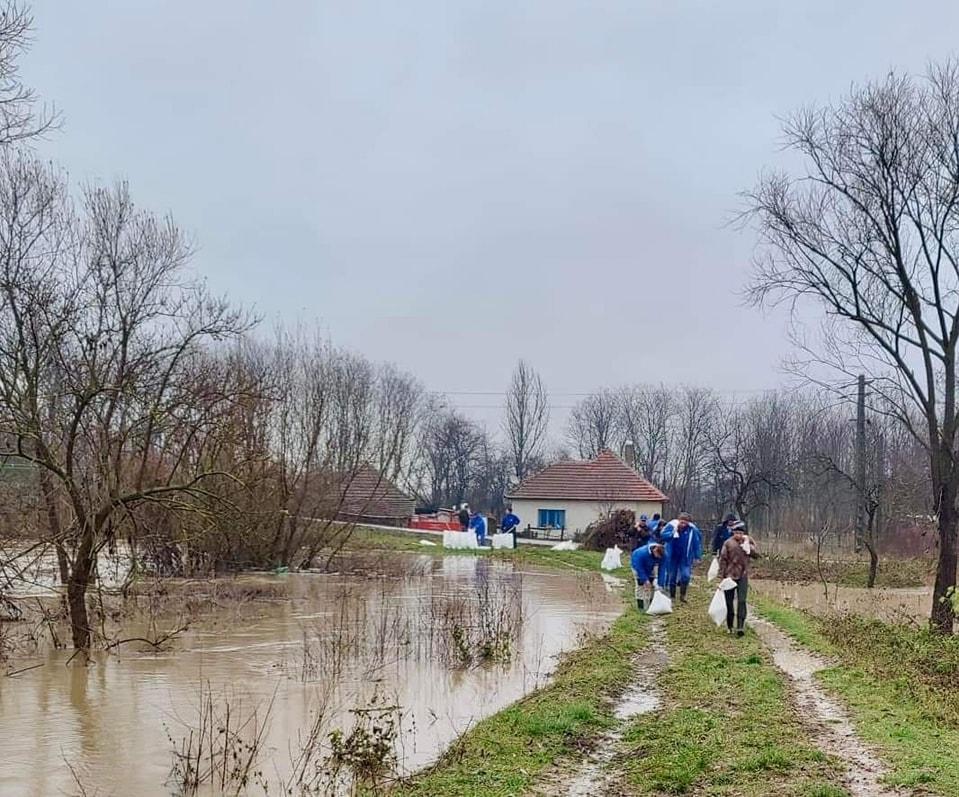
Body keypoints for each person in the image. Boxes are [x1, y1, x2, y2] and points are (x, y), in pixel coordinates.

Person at [718, 521, 759, 637]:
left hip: (743, 576)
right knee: (729, 602)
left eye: (741, 533)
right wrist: (722, 576)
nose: (739, 535)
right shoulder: (728, 543)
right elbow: (723, 559)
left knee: (742, 601)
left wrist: (749, 548)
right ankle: (730, 625)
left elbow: (757, 555)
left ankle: (740, 626)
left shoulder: (748, 541)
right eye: (736, 533)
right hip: (729, 576)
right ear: (733, 533)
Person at [658, 512, 702, 602]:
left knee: (686, 575)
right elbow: (663, 536)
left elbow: (696, 542)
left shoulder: (692, 530)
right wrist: (673, 533)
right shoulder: (672, 526)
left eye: (685, 523)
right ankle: (672, 595)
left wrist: (697, 556)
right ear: (678, 521)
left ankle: (683, 594)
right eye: (681, 522)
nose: (683, 525)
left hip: (685, 556)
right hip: (672, 556)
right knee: (672, 576)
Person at [631, 542, 664, 610]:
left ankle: (651, 605)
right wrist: (645, 580)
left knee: (652, 585)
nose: (658, 558)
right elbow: (639, 568)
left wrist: (660, 583)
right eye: (657, 556)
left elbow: (662, 568)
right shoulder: (641, 554)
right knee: (640, 585)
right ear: (654, 551)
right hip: (638, 567)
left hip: (651, 566)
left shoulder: (663, 554)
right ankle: (640, 607)